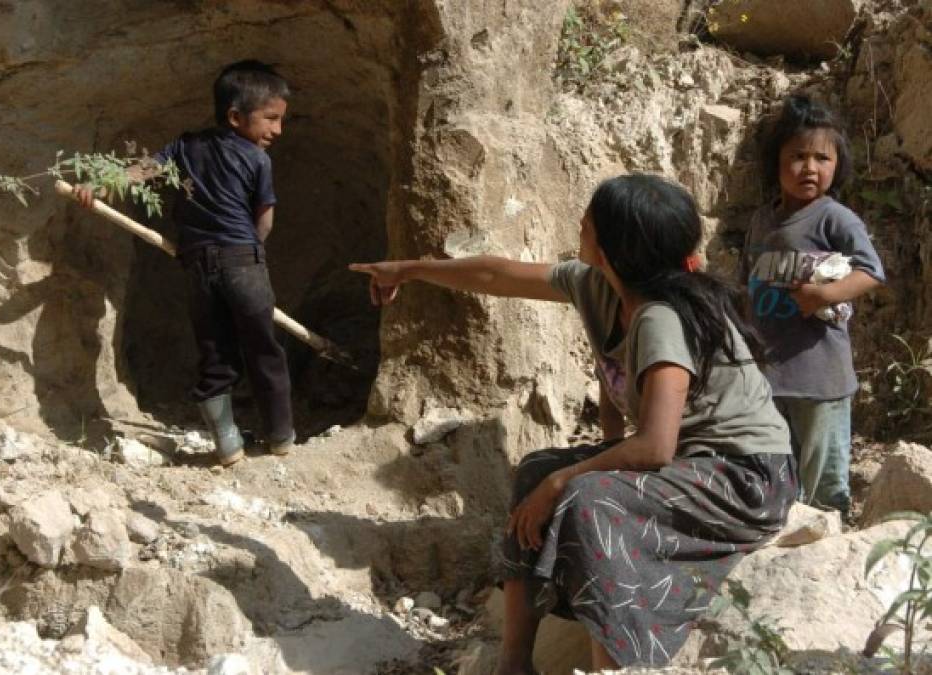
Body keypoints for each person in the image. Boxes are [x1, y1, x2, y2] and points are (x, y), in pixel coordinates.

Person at [350, 174, 796, 671]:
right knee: (536, 470)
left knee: (586, 497)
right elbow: (498, 277)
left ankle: (611, 666)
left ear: (614, 248)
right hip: (694, 463)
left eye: (590, 220)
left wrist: (569, 479)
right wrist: (407, 271)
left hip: (747, 477)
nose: (580, 224)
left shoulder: (661, 319)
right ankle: (515, 662)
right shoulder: (598, 286)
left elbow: (654, 448)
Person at [75, 60, 296, 465]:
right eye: (271, 119)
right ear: (235, 116)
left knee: (215, 350)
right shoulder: (258, 160)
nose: (277, 131)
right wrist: (252, 251)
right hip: (243, 262)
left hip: (197, 267)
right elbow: (264, 218)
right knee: (263, 348)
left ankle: (228, 444)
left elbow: (144, 170)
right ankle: (281, 437)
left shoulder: (185, 146)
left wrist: (100, 185)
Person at [740, 94, 884, 516]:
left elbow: (871, 271)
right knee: (775, 472)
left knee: (823, 480)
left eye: (822, 157)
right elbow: (747, 283)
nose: (810, 167)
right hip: (770, 375)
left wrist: (824, 295)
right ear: (776, 160)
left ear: (837, 164)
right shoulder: (762, 221)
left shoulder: (834, 218)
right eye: (798, 155)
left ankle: (828, 544)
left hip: (821, 379)